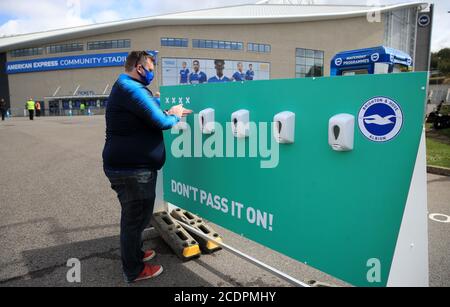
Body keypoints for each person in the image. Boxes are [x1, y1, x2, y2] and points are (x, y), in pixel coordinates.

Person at [102, 51, 192, 283]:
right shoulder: (131, 88)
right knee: (134, 221)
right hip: (132, 171)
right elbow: (161, 121)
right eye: (151, 68)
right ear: (140, 68)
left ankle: (136, 254)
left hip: (130, 168)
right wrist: (175, 115)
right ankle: (133, 270)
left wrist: (161, 104)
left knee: (137, 218)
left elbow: (143, 110)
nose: (153, 72)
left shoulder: (127, 88)